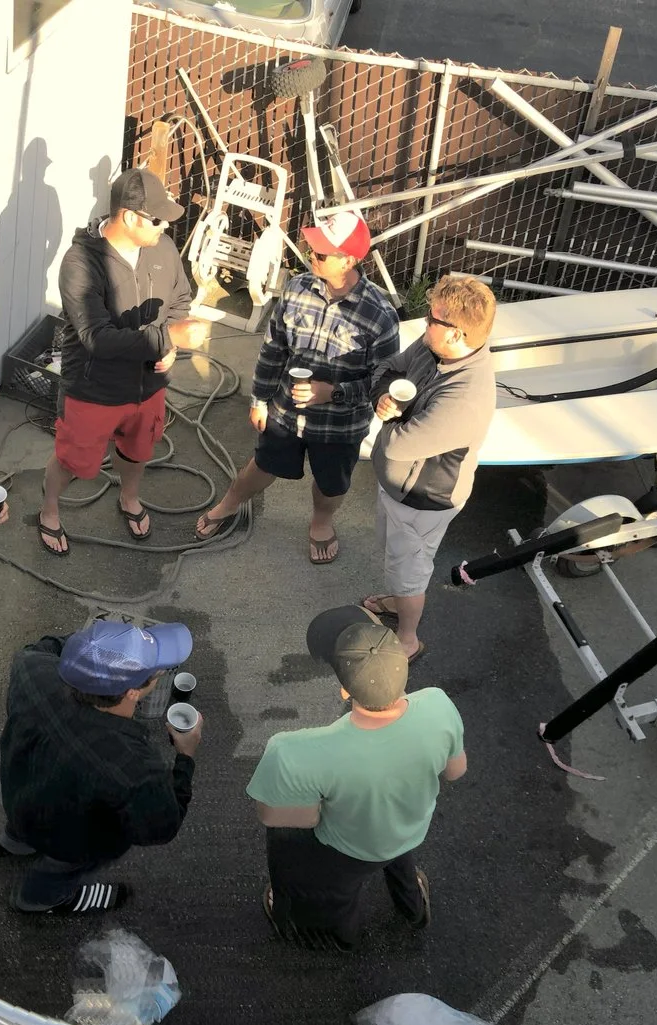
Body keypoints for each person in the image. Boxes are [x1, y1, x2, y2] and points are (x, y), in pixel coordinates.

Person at [251, 606, 465, 950]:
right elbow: (456, 770)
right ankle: (412, 907)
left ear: (345, 692)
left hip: (351, 847)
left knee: (332, 885)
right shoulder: (438, 704)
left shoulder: (294, 750)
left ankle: (340, 935)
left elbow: (282, 817)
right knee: (396, 855)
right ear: (403, 667)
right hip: (409, 826)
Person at [194, 213, 401, 564]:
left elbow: (384, 380)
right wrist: (259, 399)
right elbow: (273, 348)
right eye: (312, 248)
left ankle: (321, 522)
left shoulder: (380, 314)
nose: (311, 256)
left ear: (349, 260)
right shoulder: (296, 289)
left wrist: (331, 393)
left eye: (321, 253)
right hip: (286, 412)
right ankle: (228, 504)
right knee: (262, 465)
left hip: (340, 426)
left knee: (331, 483)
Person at [38, 168, 208, 556]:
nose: (165, 227)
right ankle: (49, 511)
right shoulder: (80, 263)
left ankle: (129, 498)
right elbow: (96, 338)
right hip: (94, 390)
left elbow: (180, 300)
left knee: (137, 451)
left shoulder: (162, 248)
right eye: (158, 219)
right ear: (131, 217)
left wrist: (171, 347)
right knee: (73, 461)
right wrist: (168, 338)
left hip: (148, 387)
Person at [0, 618, 197, 915]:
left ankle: (14, 845)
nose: (161, 671)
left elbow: (50, 645)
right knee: (61, 869)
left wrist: (97, 647)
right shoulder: (133, 765)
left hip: (19, 793)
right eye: (155, 671)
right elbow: (162, 826)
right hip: (71, 839)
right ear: (132, 693)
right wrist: (186, 757)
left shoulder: (30, 667)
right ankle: (39, 900)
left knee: (22, 825)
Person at [357, 274, 499, 660]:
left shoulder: (467, 396)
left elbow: (402, 445)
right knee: (396, 556)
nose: (424, 324)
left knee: (412, 569)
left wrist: (387, 413)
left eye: (432, 320)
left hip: (424, 500)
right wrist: (384, 397)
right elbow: (389, 367)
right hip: (399, 489)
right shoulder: (434, 346)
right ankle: (396, 599)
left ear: (456, 335)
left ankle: (408, 640)